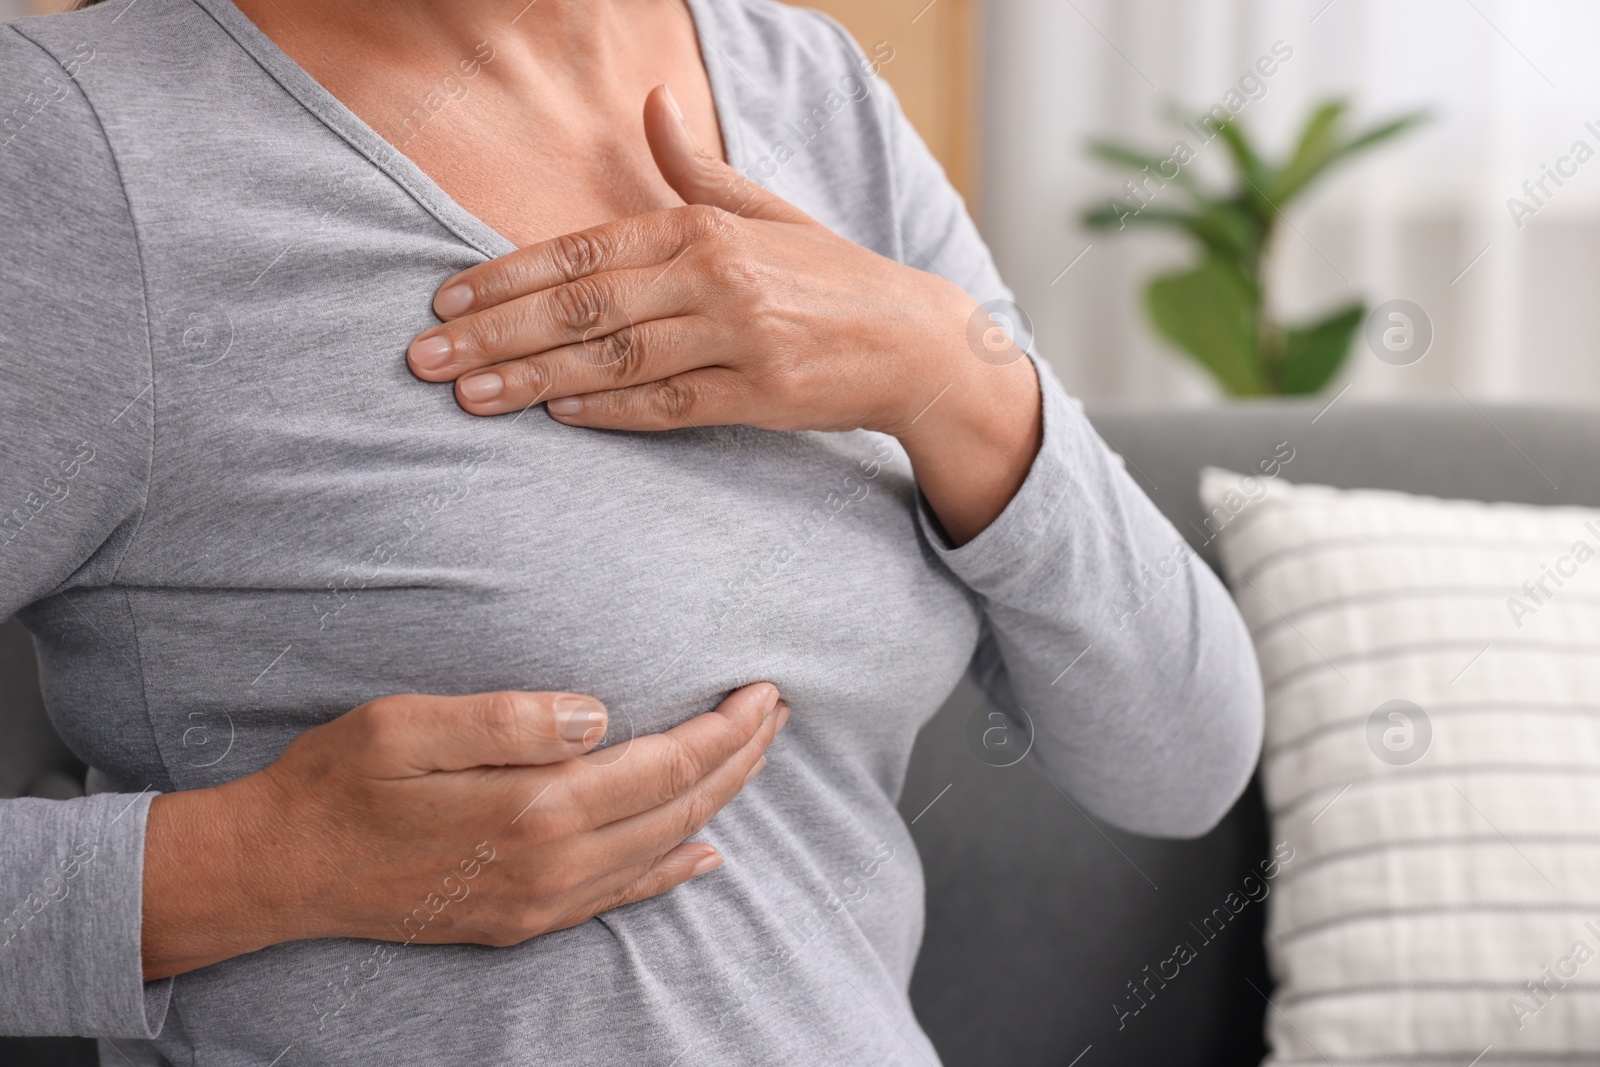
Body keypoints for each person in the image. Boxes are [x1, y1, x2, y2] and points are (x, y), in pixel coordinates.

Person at [0, 0, 1264, 1062]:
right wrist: (255, 863)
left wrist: (955, 373)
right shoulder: (72, 146)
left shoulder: (805, 84)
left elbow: (1183, 753)